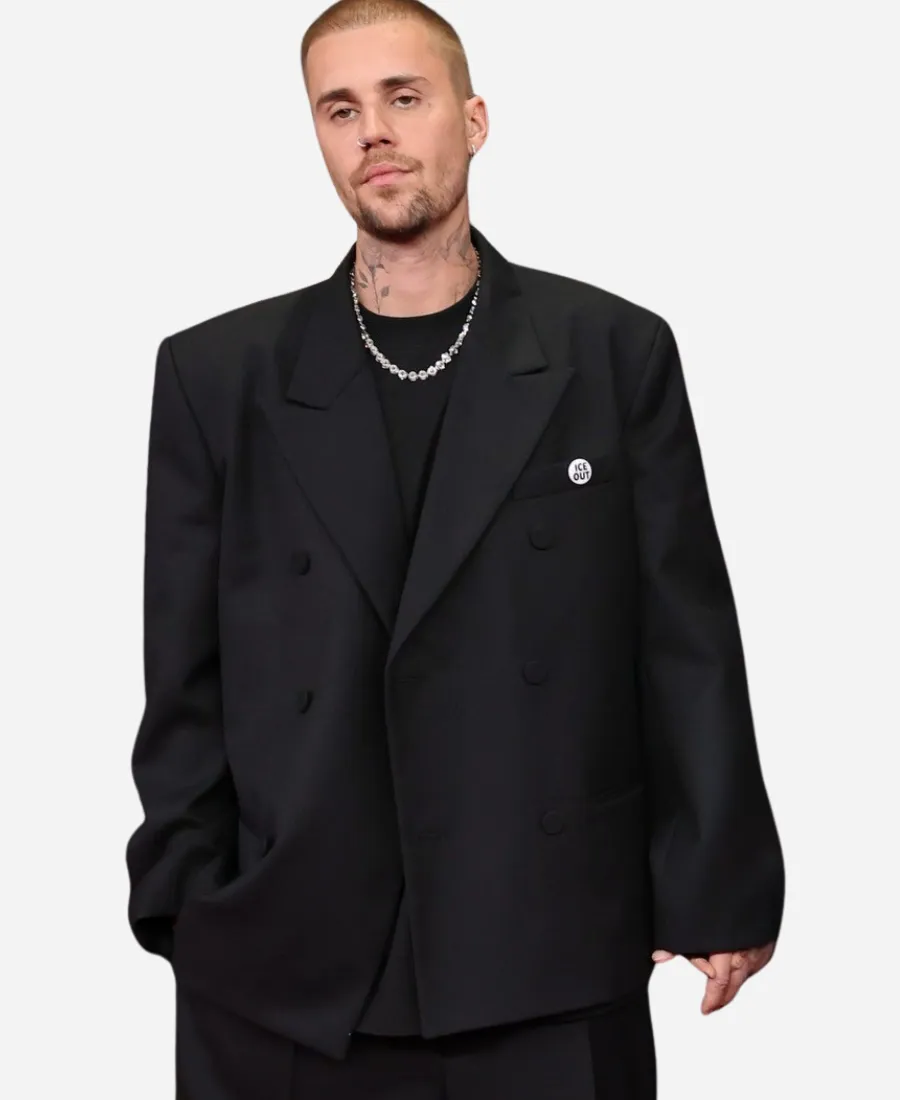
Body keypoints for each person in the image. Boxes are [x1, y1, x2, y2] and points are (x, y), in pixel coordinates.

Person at [125, 1, 785, 1096]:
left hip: (547, 942)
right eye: (340, 109)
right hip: (289, 970)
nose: (373, 131)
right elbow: (182, 673)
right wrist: (188, 901)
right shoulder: (218, 375)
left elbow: (685, 638)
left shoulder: (610, 353)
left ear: (473, 120)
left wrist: (718, 878)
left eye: (404, 97)